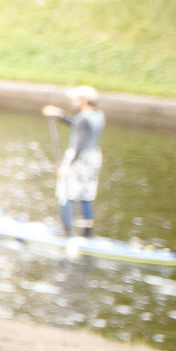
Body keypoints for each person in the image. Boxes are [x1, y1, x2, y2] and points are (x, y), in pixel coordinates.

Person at [45, 85, 105, 237]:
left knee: (66, 191)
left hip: (79, 158)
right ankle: (87, 231)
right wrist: (60, 115)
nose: (73, 102)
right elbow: (79, 127)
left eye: (75, 99)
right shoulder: (98, 115)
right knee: (87, 193)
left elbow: (80, 142)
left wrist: (68, 166)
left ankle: (66, 231)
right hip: (94, 157)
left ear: (84, 101)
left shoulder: (83, 118)